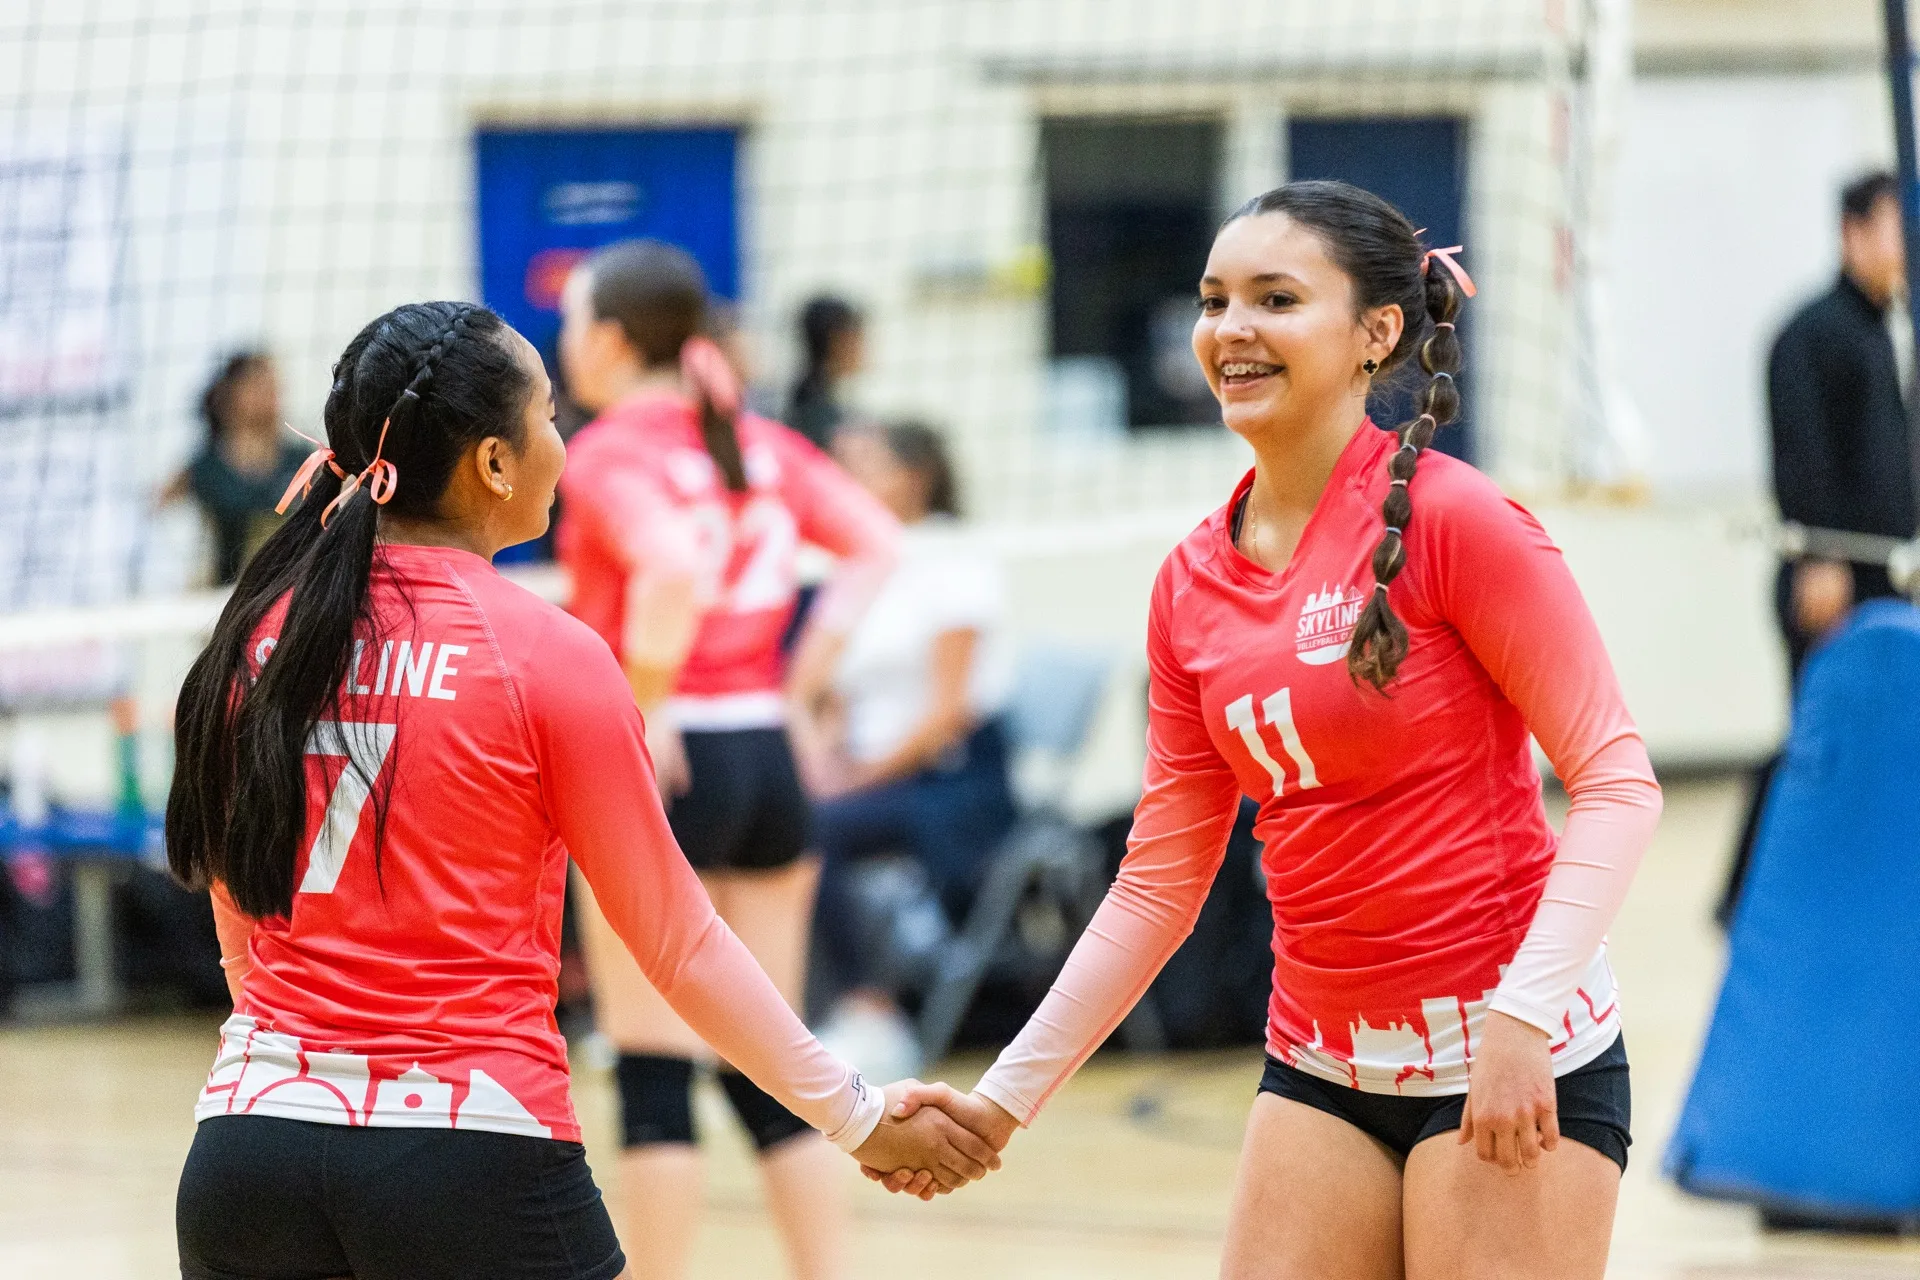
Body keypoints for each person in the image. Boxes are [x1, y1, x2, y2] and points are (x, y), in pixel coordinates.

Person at [885, 181, 1663, 1279]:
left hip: (1507, 1048)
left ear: (1375, 333)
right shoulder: (1189, 584)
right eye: (1214, 301)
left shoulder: (1458, 520)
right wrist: (1002, 1099)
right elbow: (1158, 884)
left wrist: (1525, 1020)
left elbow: (1619, 783)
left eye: (1276, 298)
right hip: (1320, 1062)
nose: (1231, 329)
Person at [165, 300, 994, 1280]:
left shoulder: (255, 637)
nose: (565, 444)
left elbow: (240, 915)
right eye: (550, 417)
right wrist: (859, 1115)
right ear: (494, 462)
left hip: (246, 1150)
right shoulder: (546, 655)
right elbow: (677, 939)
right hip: (468, 1147)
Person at [556, 243, 901, 1280]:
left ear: (610, 339)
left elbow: (671, 565)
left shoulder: (608, 452)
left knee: (654, 1067)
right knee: (772, 1060)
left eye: (571, 324)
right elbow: (880, 544)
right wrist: (797, 683)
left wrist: (651, 700)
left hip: (666, 759)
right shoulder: (757, 438)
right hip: (763, 749)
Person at [1720, 170, 1916, 929]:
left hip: (1887, 576)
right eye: (1895, 228)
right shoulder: (1809, 334)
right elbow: (1803, 461)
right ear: (1852, 233)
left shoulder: (1883, 331)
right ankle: (1744, 898)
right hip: (1829, 577)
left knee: (1879, 736)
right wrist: (1821, 562)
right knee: (1817, 738)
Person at [789, 421, 1017, 1073]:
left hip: (951, 782)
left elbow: (947, 716)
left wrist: (849, 780)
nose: (845, 478)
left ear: (915, 477)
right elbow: (819, 689)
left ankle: (870, 1012)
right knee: (773, 819)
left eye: (864, 462)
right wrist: (818, 757)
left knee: (810, 829)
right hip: (867, 774)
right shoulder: (858, 562)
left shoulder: (953, 558)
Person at [160, 352, 311, 584]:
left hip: (288, 585)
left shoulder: (301, 460)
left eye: (273, 385)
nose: (272, 394)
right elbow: (155, 509)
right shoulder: (206, 466)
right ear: (232, 395)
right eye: (259, 385)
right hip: (223, 591)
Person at [786, 294, 865, 449]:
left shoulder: (820, 396)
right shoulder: (816, 412)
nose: (862, 348)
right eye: (856, 338)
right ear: (837, 341)